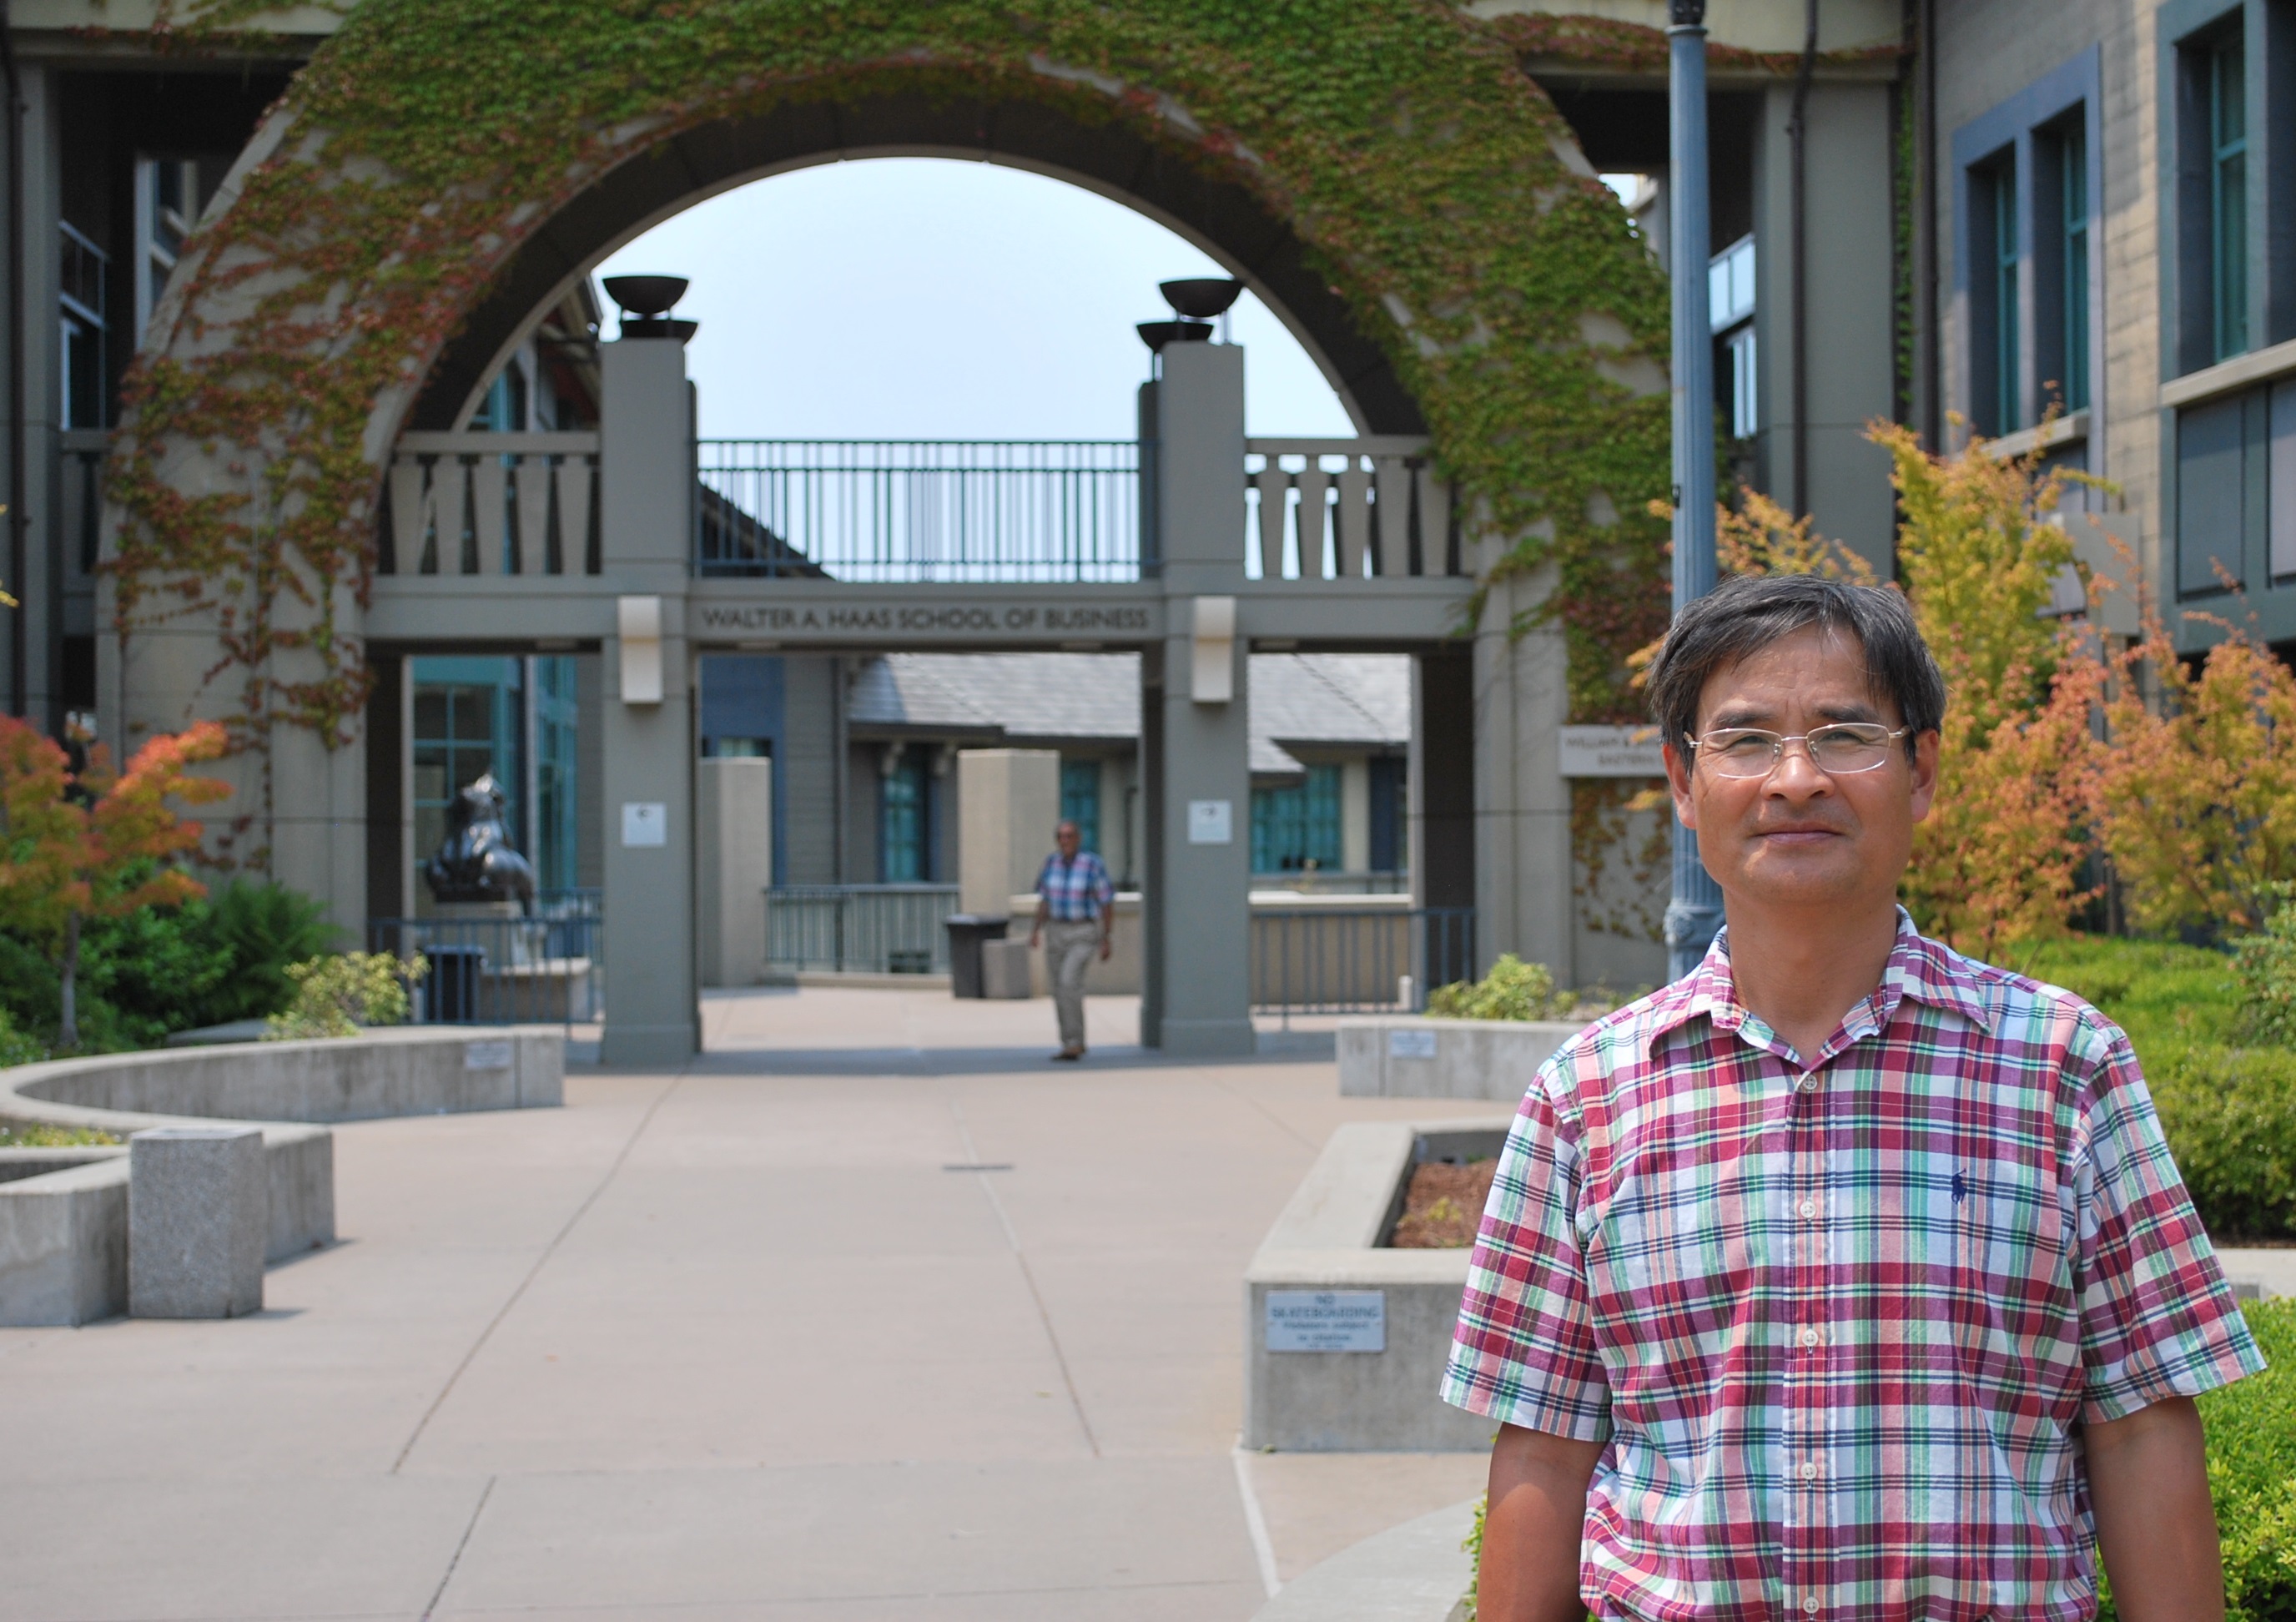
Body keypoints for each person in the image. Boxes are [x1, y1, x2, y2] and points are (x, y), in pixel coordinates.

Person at [1443, 574, 2262, 1622]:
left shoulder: (2065, 1067)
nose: (1795, 780)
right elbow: (1544, 1444)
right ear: (1684, 782)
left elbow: (2140, 1425)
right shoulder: (1586, 1096)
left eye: (1844, 735)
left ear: (1920, 771)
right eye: (1745, 740)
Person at [1029, 819, 1113, 1060]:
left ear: (1078, 839)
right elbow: (1045, 900)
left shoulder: (1092, 864)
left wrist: (1106, 937)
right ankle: (1071, 1041)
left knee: (1069, 982)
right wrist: (1036, 930)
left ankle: (1074, 1042)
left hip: (1083, 931)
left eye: (1069, 836)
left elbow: (1106, 902)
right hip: (1056, 930)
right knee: (1059, 989)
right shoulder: (1051, 863)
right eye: (1060, 837)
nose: (1065, 841)